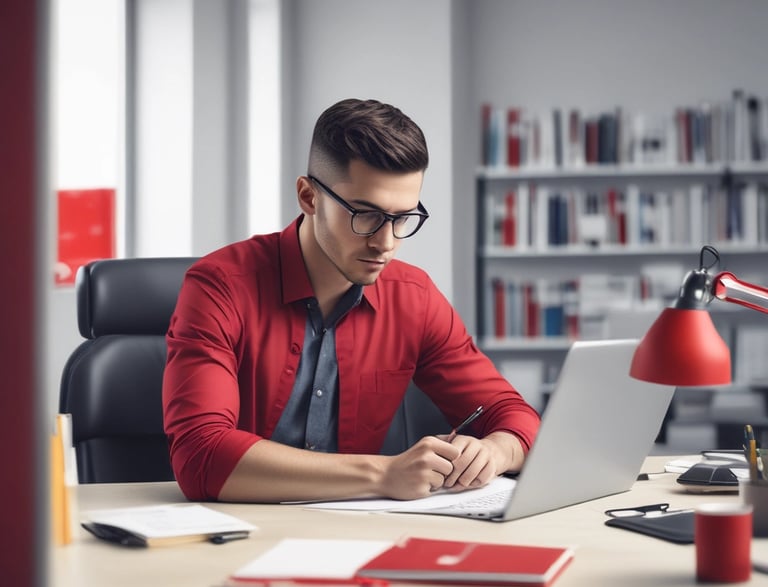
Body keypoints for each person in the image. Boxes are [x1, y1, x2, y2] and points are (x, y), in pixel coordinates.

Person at [162, 98, 540, 503]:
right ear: (308, 197)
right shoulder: (219, 286)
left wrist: (494, 451)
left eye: (402, 218)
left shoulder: (414, 297)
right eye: (366, 215)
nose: (386, 242)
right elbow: (201, 457)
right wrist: (381, 474)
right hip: (238, 532)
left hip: (357, 532)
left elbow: (515, 416)